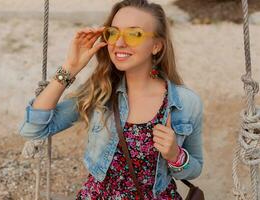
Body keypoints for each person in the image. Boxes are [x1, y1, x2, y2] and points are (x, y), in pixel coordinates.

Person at [19, 0, 204, 199]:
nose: (119, 43)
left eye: (134, 34)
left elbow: (195, 168)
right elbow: (34, 129)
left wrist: (176, 156)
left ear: (157, 46)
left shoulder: (186, 102)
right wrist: (70, 67)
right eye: (113, 32)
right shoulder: (100, 92)